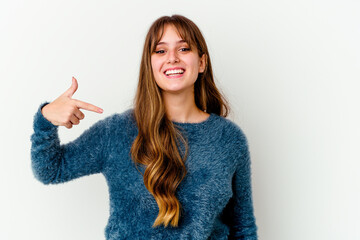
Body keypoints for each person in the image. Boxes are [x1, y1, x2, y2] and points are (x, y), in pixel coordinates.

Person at [30, 14, 258, 240]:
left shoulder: (229, 139)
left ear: (201, 63)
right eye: (160, 51)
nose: (172, 58)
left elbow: (243, 228)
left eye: (184, 49)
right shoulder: (117, 132)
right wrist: (46, 119)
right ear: (150, 65)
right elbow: (51, 170)